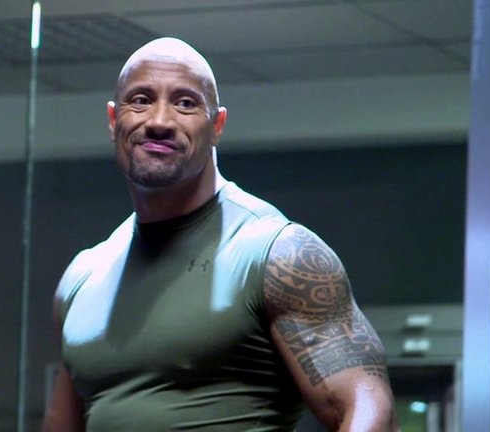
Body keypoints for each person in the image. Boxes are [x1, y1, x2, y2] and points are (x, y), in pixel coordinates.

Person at [42, 37, 398, 432]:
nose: (159, 121)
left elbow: (372, 413)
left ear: (217, 126)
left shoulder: (279, 254)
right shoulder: (82, 276)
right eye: (141, 100)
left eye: (185, 103)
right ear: (113, 120)